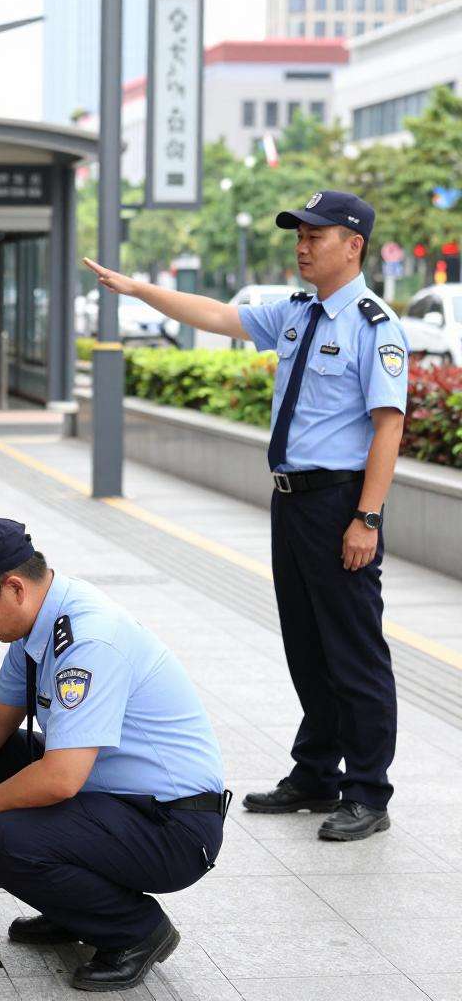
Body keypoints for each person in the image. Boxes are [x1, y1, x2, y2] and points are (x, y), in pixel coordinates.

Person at [84, 189, 408, 842]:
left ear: (354, 246)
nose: (302, 243)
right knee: (307, 646)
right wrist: (139, 289)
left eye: (316, 234)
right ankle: (316, 774)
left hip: (340, 502)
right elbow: (213, 314)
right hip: (291, 503)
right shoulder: (294, 313)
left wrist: (366, 519)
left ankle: (368, 791)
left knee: (355, 653)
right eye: (299, 232)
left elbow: (389, 426)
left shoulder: (374, 325)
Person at [0, 518, 228, 992]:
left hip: (174, 827)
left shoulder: (87, 640)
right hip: (119, 800)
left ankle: (136, 932)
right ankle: (77, 910)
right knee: (1, 750)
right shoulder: (41, 625)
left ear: (13, 588)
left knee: (7, 840)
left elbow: (62, 779)